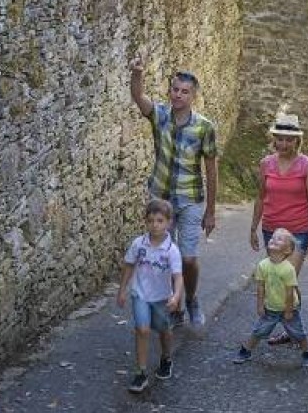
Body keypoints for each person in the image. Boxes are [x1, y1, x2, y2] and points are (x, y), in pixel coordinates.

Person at [129, 56, 219, 327]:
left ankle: (190, 299)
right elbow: (138, 96)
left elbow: (212, 170)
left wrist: (211, 211)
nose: (178, 95)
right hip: (161, 200)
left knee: (188, 259)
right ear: (170, 91)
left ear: (193, 96)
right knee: (165, 257)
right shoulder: (159, 116)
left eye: (184, 91)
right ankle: (173, 305)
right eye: (175, 89)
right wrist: (137, 73)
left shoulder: (204, 127)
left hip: (190, 199)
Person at [249, 111, 308, 345]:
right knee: (283, 279)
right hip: (272, 230)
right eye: (279, 138)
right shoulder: (265, 164)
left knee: (284, 279)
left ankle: (291, 330)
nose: (283, 143)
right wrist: (253, 228)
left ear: (297, 141)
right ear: (274, 139)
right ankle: (293, 330)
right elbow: (260, 197)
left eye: (289, 139)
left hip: (299, 232)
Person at [116, 199, 184, 393]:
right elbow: (129, 265)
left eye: (160, 221)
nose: (155, 225)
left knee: (164, 330)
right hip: (140, 294)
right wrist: (122, 290)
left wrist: (176, 296)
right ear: (146, 222)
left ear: (169, 223)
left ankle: (166, 358)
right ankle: (141, 373)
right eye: (151, 220)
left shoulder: (172, 250)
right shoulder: (139, 244)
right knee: (142, 330)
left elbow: (178, 277)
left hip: (162, 297)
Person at [231, 229, 308, 368]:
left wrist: (288, 310)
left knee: (298, 332)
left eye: (280, 239)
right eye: (273, 238)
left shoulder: (288, 269)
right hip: (270, 307)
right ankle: (246, 350)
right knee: (259, 331)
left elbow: (289, 292)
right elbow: (260, 287)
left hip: (289, 308)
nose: (274, 240)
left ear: (288, 250)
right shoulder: (263, 265)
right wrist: (259, 305)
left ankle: (307, 353)